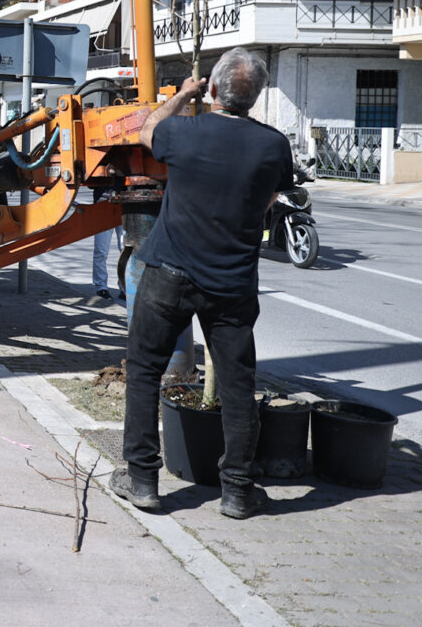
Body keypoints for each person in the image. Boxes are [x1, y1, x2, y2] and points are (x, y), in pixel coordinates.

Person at [110, 47, 294, 520]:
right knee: (237, 385)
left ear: (212, 89)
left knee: (144, 370)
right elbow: (270, 197)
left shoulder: (185, 131)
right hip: (232, 284)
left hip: (169, 274)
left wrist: (181, 97)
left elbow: (146, 129)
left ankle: (142, 480)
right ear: (255, 97)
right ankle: (237, 491)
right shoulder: (274, 146)